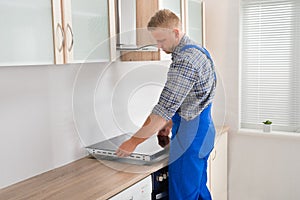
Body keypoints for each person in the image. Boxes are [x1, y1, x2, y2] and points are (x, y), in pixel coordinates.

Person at [116, 9, 217, 200]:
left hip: (190, 139)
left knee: (183, 196)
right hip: (204, 132)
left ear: (176, 33)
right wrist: (171, 122)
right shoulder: (198, 50)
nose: (158, 45)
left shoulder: (185, 61)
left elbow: (161, 111)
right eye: (156, 41)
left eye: (161, 40)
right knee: (199, 192)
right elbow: (196, 98)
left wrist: (132, 142)